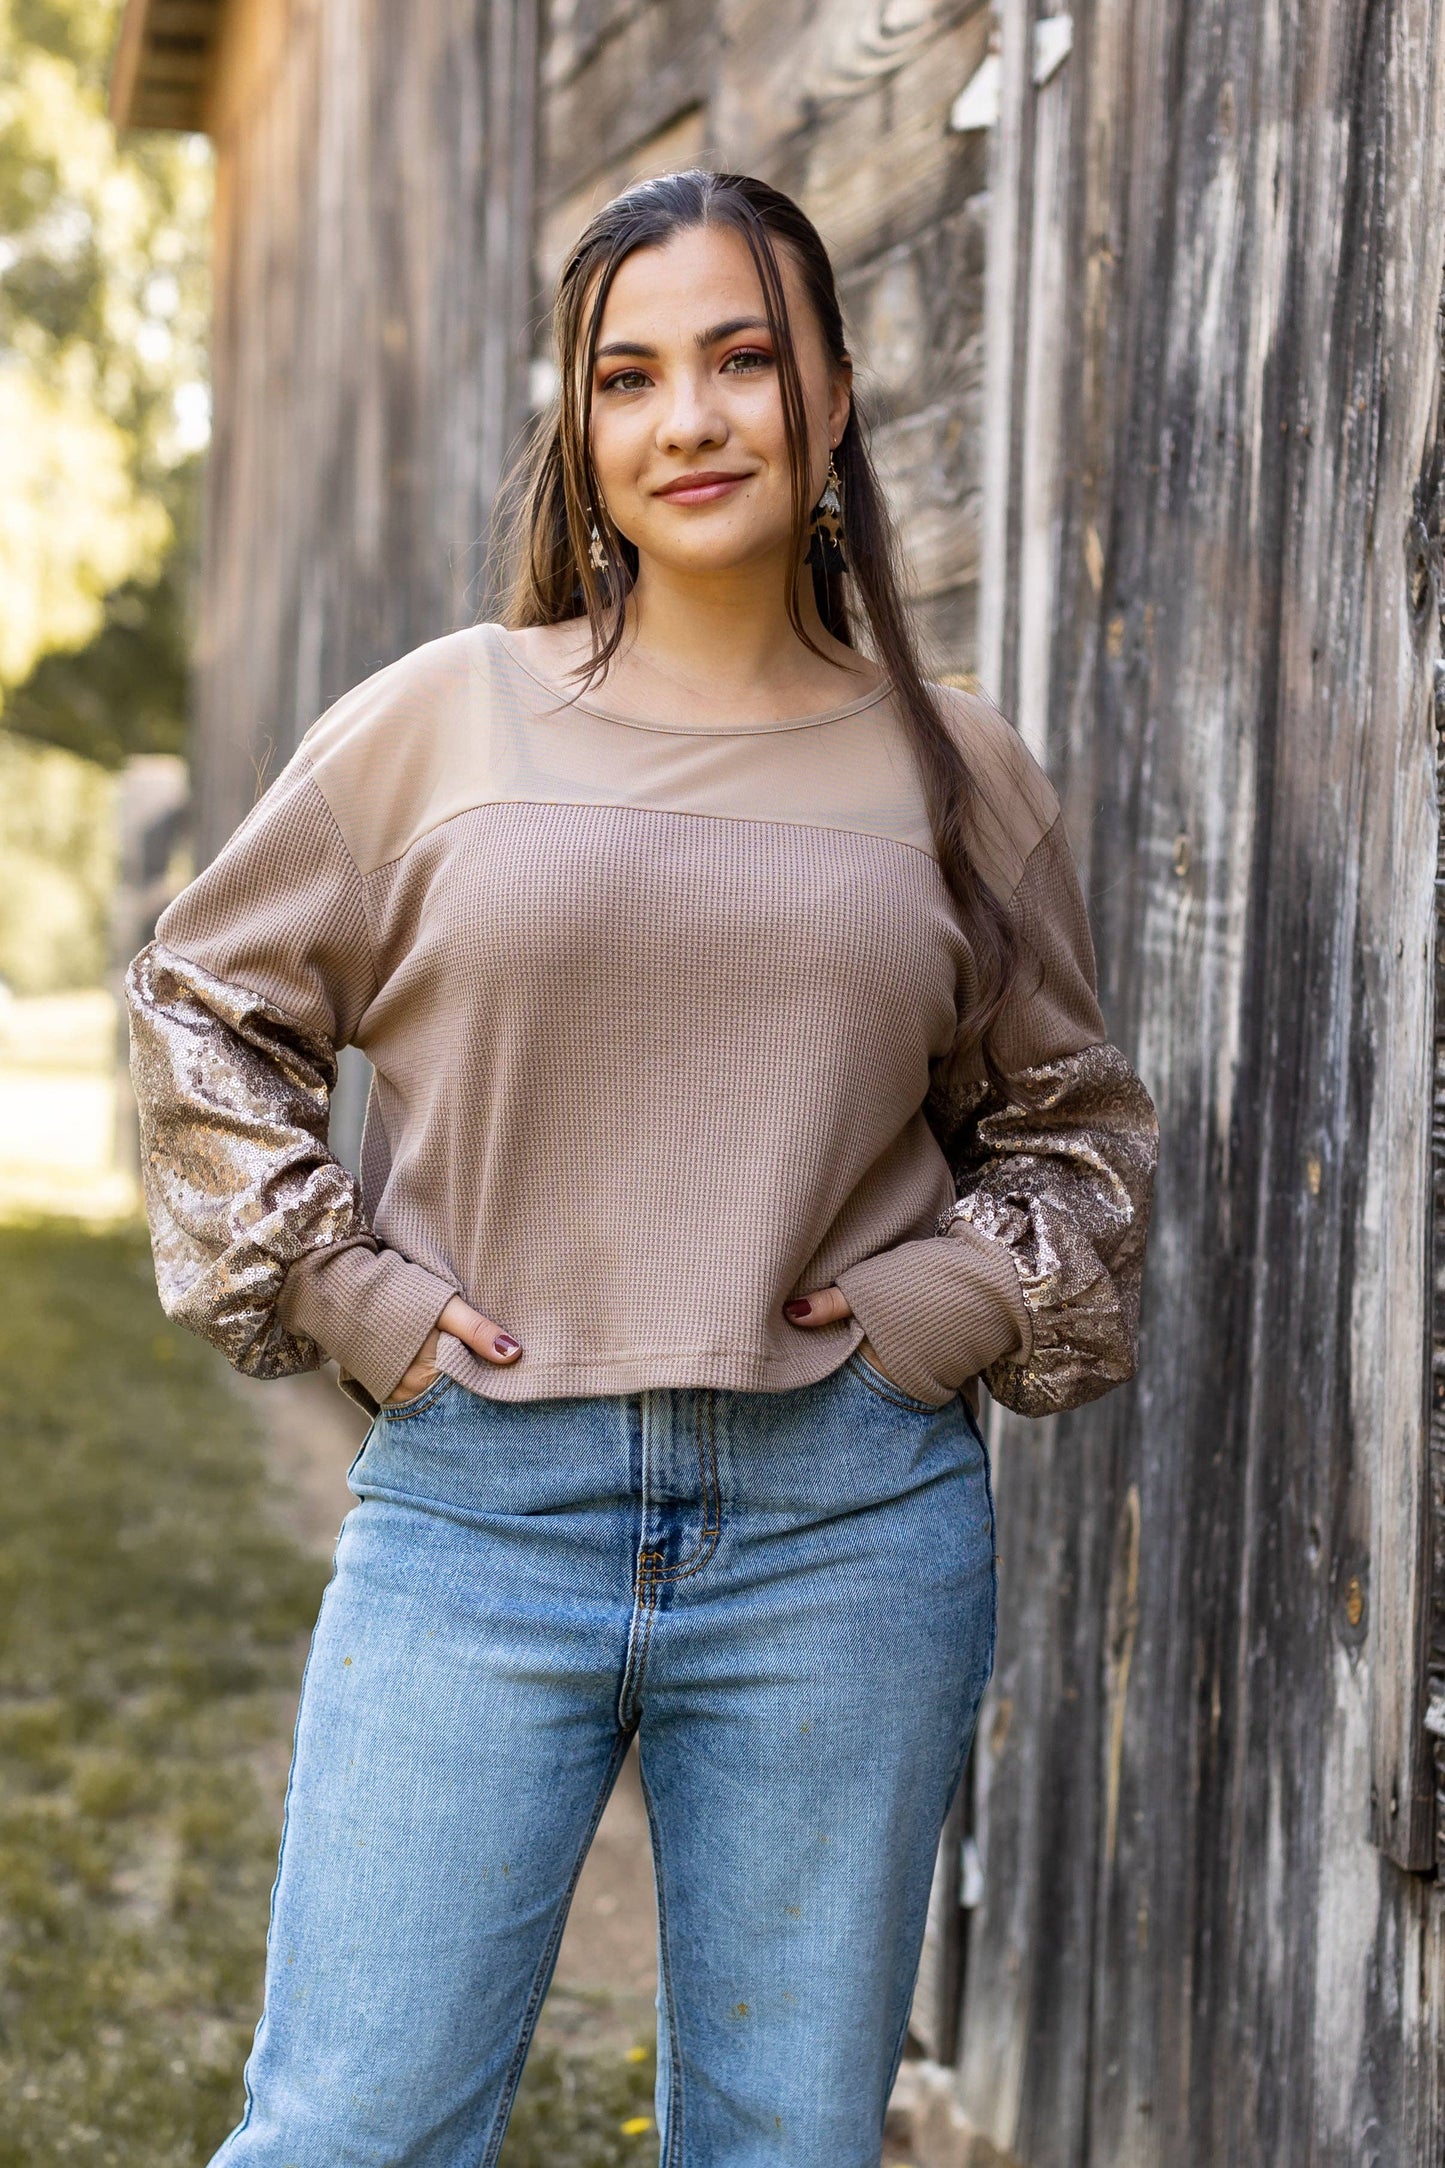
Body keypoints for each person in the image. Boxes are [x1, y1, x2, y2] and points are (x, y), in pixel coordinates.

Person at [127, 169, 1156, 2168]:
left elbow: (1076, 1132)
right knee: (348, 2128)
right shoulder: (445, 718)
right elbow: (198, 1002)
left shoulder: (960, 766)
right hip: (476, 1516)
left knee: (781, 2137)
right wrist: (355, 1293)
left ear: (833, 395)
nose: (687, 419)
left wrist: (941, 1308)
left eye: (741, 359)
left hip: (848, 1534)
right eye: (629, 376)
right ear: (583, 433)